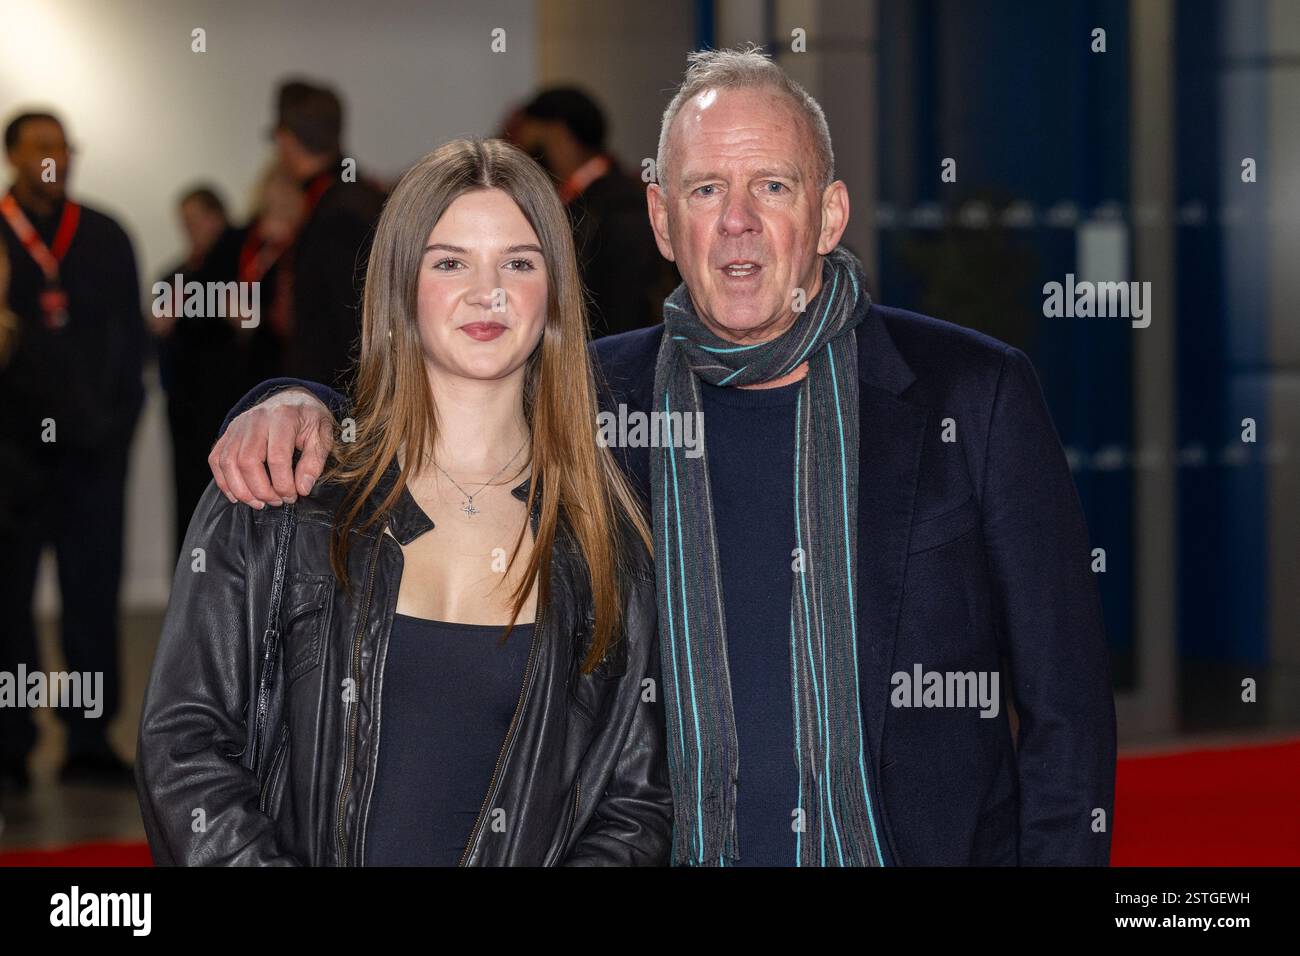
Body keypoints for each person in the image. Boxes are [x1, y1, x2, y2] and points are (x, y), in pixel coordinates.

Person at [207, 47, 1117, 866]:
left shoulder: (972, 394)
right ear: (660, 217)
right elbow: (434, 406)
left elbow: (1066, 709)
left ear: (830, 213)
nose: (738, 223)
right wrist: (295, 403)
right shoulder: (589, 398)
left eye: (774, 186)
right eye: (706, 189)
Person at [136, 138, 671, 866]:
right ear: (401, 288)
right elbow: (184, 747)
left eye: (518, 262)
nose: (489, 292)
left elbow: (634, 804)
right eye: (450, 262)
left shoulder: (607, 539)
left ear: (553, 295)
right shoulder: (280, 493)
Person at [0, 110, 145, 789]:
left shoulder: (106, 235)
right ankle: (11, 737)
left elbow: (131, 345)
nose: (51, 159)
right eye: (37, 149)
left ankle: (89, 738)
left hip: (91, 455)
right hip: (9, 459)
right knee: (7, 602)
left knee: (92, 596)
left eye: (60, 148)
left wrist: (113, 428)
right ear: (12, 157)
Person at [514, 87, 672, 338]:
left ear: (558, 135)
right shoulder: (585, 203)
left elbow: (625, 318)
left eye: (532, 145)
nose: (526, 161)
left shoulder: (620, 209)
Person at [267, 79, 386, 395]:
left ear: (286, 141)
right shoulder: (349, 196)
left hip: (338, 405)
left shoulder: (337, 210)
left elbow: (352, 328)